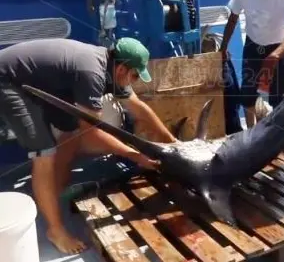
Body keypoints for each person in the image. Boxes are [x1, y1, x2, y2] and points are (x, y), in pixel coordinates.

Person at [0, 37, 177, 254]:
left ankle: (55, 186)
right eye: (135, 75)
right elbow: (92, 134)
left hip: (35, 83)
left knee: (70, 130)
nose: (136, 80)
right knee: (43, 152)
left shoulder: (111, 69)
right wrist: (135, 155)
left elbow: (139, 108)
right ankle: (55, 230)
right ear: (122, 69)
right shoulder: (92, 72)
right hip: (7, 81)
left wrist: (173, 143)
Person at [220, 0, 284, 128]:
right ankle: (251, 131)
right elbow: (232, 19)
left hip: (279, 46)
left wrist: (275, 55)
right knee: (247, 93)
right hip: (253, 44)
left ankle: (275, 133)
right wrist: (223, 47)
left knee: (279, 97)